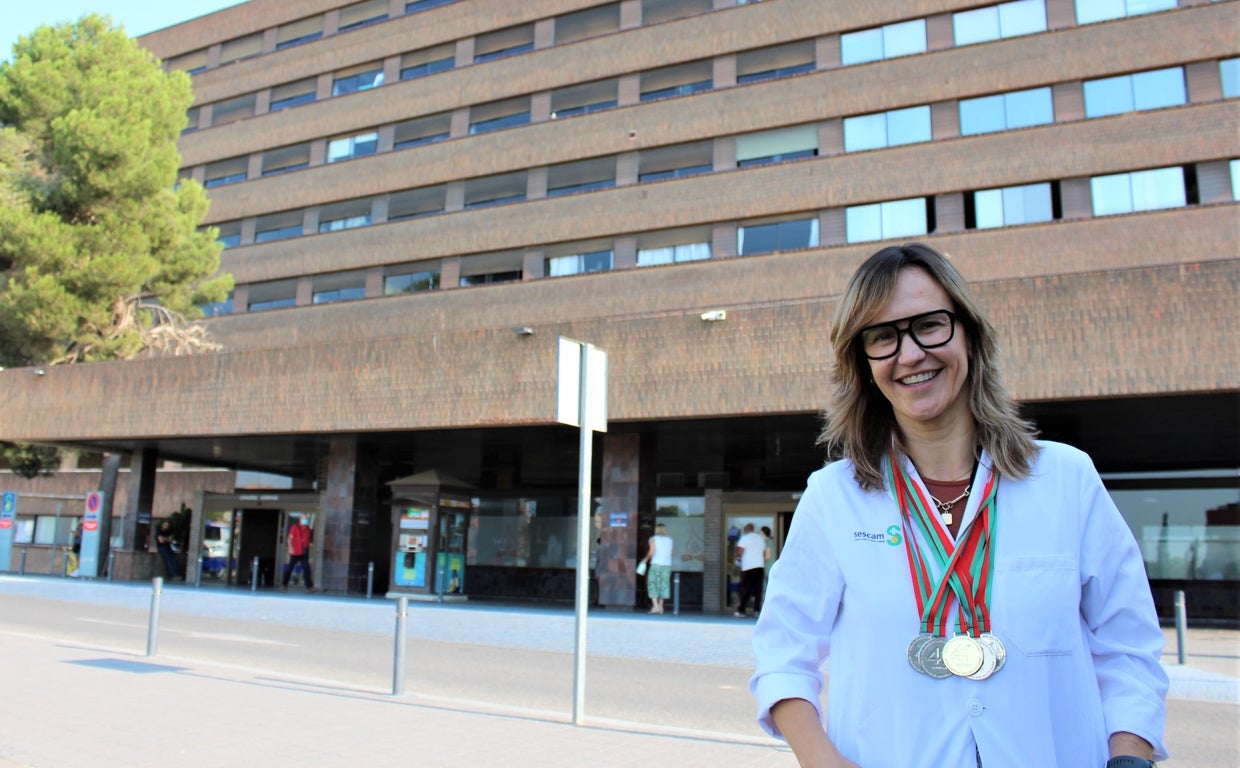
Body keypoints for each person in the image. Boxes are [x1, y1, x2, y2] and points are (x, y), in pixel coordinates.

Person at [750, 243, 1167, 767]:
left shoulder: (1067, 479)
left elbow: (1128, 645)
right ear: (863, 362)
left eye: (929, 324)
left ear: (968, 333)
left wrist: (1129, 755)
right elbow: (782, 656)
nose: (909, 354)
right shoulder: (833, 498)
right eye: (882, 337)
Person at [734, 523, 766, 617]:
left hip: (748, 567)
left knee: (745, 589)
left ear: (746, 530)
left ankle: (741, 611)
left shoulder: (744, 538)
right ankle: (757, 611)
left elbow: (740, 551)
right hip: (760, 566)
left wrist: (738, 557)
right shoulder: (760, 538)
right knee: (758, 590)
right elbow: (763, 551)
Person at [640, 523, 674, 614]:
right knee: (664, 585)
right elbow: (672, 553)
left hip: (656, 564)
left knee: (653, 584)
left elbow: (651, 552)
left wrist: (645, 560)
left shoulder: (653, 539)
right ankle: (661, 606)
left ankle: (655, 606)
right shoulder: (670, 540)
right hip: (667, 565)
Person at [281, 516, 316, 593]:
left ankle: (309, 587)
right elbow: (289, 538)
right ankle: (284, 584)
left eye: (306, 519)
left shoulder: (308, 529)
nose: (305, 520)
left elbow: (309, 540)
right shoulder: (295, 527)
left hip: (303, 553)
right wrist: (290, 548)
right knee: (290, 568)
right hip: (295, 552)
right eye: (304, 519)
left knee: (306, 568)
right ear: (300, 520)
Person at [760, 525, 776, 590]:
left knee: (766, 585)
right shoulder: (769, 542)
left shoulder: (767, 542)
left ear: (763, 533)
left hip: (768, 566)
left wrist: (759, 560)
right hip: (769, 566)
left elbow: (768, 556)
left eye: (760, 533)